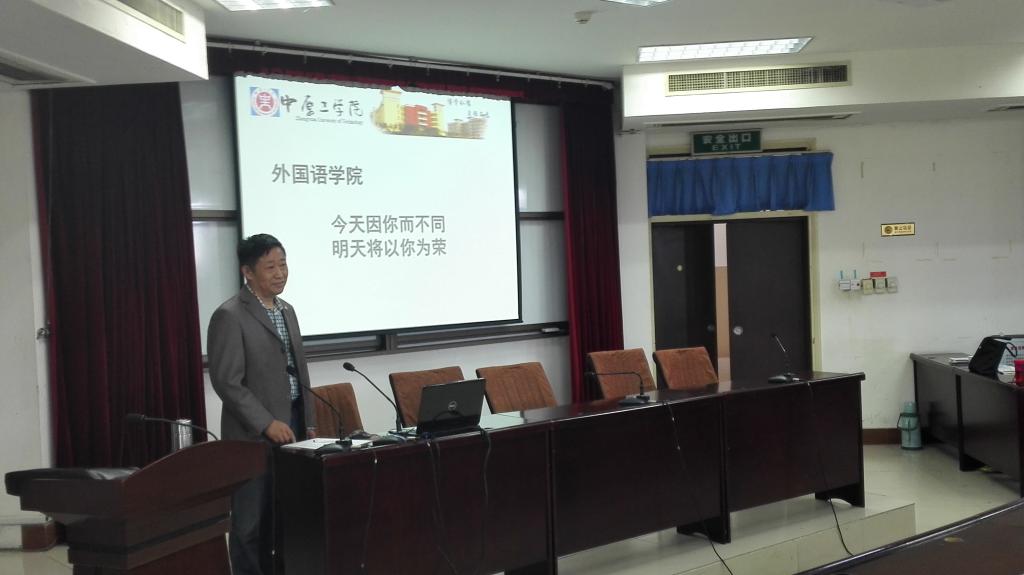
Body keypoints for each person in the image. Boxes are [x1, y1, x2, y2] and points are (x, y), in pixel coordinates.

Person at [208, 233, 316, 575]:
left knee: (284, 516)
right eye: (270, 267)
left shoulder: (287, 310)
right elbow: (228, 381)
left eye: (283, 264)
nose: (280, 273)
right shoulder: (229, 315)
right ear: (248, 272)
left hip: (293, 427)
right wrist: (266, 423)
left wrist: (308, 421)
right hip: (252, 436)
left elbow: (298, 370)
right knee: (249, 522)